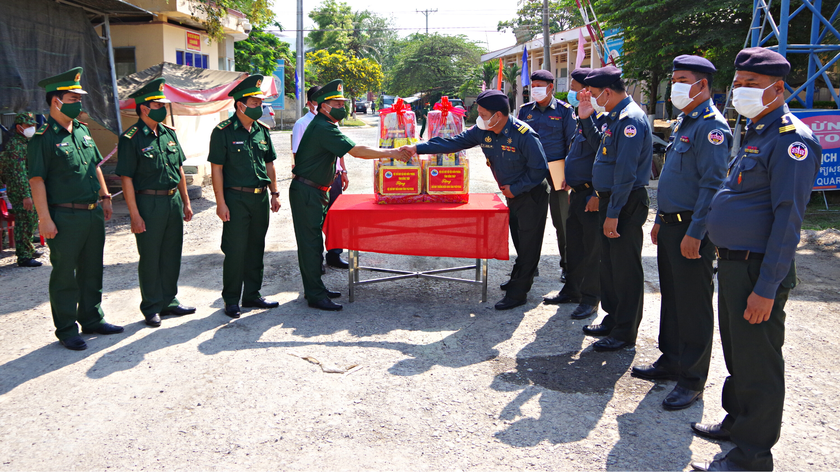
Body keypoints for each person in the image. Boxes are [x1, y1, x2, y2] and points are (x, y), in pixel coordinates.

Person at [690, 48, 821, 472]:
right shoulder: (757, 131)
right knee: (738, 355)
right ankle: (736, 424)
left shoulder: (791, 139)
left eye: (751, 84)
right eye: (739, 84)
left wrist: (766, 288)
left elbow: (788, 222)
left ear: (778, 88)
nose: (740, 92)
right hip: (732, 264)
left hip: (757, 268)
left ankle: (751, 457)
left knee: (759, 364)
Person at [630, 55, 732, 411]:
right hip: (672, 224)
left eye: (681, 79)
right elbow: (675, 178)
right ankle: (671, 360)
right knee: (672, 297)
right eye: (673, 79)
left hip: (692, 229)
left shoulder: (712, 126)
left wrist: (697, 231)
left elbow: (713, 184)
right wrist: (660, 218)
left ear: (702, 85)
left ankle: (692, 380)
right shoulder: (685, 122)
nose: (675, 86)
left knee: (694, 306)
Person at [403, 89, 550, 311]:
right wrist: (416, 148)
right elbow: (452, 143)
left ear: (498, 115)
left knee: (529, 244)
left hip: (531, 193)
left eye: (482, 113)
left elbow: (540, 169)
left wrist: (516, 188)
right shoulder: (484, 131)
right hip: (512, 193)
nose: (478, 117)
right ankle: (519, 278)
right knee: (519, 239)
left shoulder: (523, 134)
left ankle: (518, 292)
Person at [291, 79, 410, 311]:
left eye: (343, 102)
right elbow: (357, 151)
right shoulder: (323, 127)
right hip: (307, 191)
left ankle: (316, 288)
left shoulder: (325, 125)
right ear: (324, 106)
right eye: (337, 103)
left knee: (314, 242)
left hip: (316, 190)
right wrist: (393, 152)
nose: (342, 107)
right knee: (310, 244)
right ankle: (315, 294)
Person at [27, 67, 124, 351]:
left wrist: (105, 196)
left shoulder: (81, 130)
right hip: (64, 215)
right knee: (65, 273)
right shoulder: (42, 137)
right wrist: (44, 219)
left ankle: (92, 318)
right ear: (56, 101)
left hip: (92, 211)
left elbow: (95, 165)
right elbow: (37, 180)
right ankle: (67, 328)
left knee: (92, 269)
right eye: (73, 98)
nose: (79, 103)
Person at [576, 66, 652, 351]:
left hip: (625, 201)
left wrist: (614, 213)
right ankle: (613, 318)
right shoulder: (613, 117)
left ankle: (625, 331)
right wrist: (587, 120)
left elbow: (626, 172)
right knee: (608, 266)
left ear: (607, 91)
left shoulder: (630, 119)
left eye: (595, 95)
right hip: (612, 200)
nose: (593, 99)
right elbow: (602, 149)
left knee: (624, 269)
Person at [116, 78, 195, 328]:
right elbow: (126, 179)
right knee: (150, 256)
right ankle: (151, 306)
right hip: (148, 203)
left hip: (172, 200)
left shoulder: (169, 134)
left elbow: (179, 170)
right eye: (158, 104)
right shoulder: (131, 138)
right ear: (144, 108)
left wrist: (185, 201)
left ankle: (168, 301)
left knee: (172, 253)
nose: (163, 108)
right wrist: (134, 215)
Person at [209, 75, 282, 319]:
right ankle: (231, 299)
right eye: (255, 102)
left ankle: (252, 294)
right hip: (236, 199)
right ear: (240, 105)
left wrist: (275, 192)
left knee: (255, 248)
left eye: (260, 102)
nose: (260, 107)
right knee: (235, 249)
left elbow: (270, 164)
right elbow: (216, 169)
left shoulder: (262, 131)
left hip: (260, 198)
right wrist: (220, 203)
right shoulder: (223, 132)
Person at [543, 68, 605, 319]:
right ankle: (572, 289)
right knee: (575, 246)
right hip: (577, 192)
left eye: (575, 87)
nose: (571, 92)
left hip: (592, 193)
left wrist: (598, 194)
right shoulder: (581, 116)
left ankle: (590, 298)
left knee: (591, 250)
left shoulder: (600, 118)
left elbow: (603, 157)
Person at [518, 69, 575, 293]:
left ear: (551, 87)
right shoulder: (524, 111)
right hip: (531, 171)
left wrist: (570, 173)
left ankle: (568, 266)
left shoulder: (564, 111)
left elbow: (573, 143)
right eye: (533, 86)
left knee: (562, 220)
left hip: (558, 169)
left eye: (540, 86)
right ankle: (528, 268)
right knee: (529, 221)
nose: (536, 90)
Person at [291, 85, 349, 271]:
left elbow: (339, 148)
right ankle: (316, 262)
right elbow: (297, 153)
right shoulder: (303, 124)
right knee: (315, 223)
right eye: (319, 99)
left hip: (335, 176)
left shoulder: (332, 121)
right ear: (311, 103)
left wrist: (343, 170)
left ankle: (334, 254)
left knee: (336, 217)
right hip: (315, 180)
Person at [0, 112, 42, 267]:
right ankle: (23, 257)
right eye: (28, 126)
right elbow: (19, 173)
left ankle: (28, 249)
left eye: (33, 125)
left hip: (27, 189)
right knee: (24, 221)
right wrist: (25, 195)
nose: (32, 128)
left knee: (30, 220)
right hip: (20, 190)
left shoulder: (23, 143)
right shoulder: (15, 146)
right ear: (19, 127)